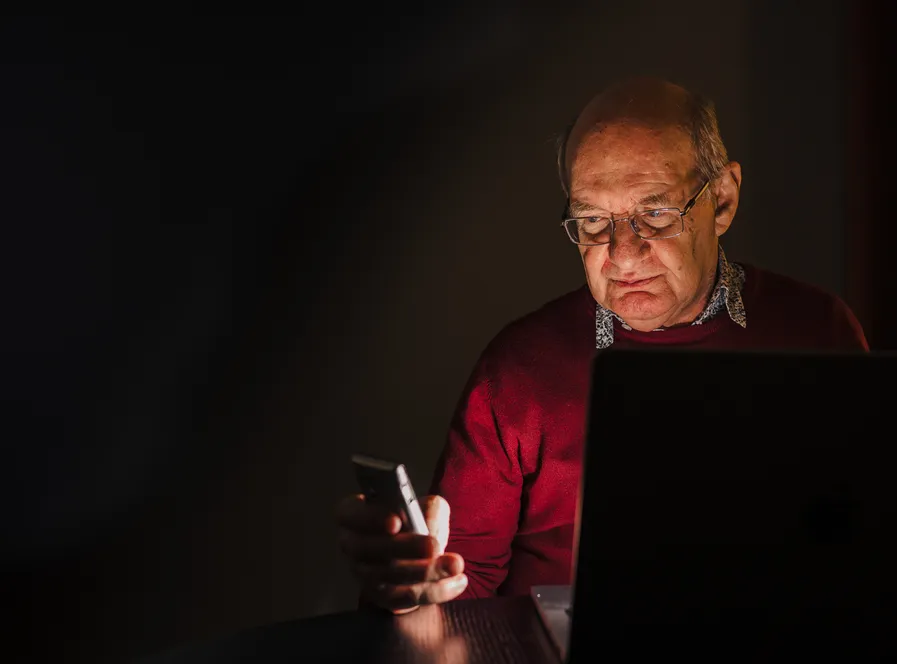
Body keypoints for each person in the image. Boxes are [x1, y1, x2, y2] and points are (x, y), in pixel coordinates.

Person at [335, 77, 868, 613]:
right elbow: (458, 586)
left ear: (723, 201)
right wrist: (414, 596)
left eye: (655, 214)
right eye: (592, 221)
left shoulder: (817, 328)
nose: (624, 255)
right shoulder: (519, 371)